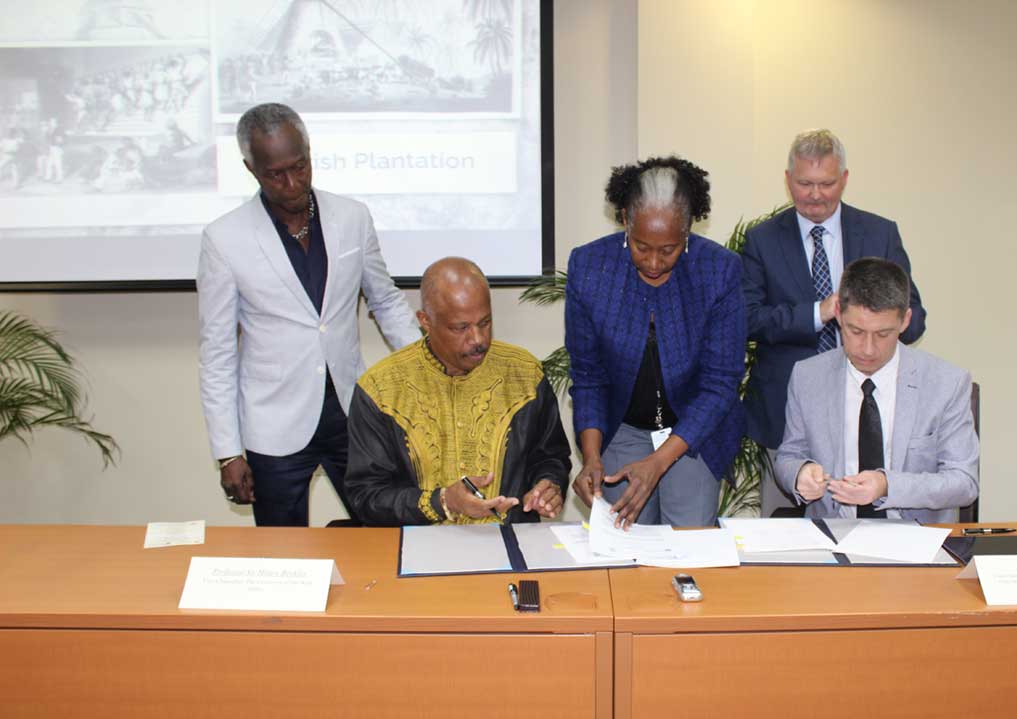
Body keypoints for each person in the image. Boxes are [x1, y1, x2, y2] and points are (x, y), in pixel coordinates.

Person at [198, 102, 419, 526]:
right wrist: (228, 451)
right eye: (275, 174)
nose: (292, 182)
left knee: (383, 533)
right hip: (273, 425)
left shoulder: (352, 217)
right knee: (282, 555)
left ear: (310, 153)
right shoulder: (224, 239)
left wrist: (429, 368)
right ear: (251, 168)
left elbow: (385, 301)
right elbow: (217, 353)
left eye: (300, 167)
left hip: (354, 414)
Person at [742, 129, 928, 516]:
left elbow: (914, 319)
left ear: (844, 179)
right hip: (786, 418)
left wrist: (868, 320)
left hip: (871, 411)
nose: (815, 194)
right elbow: (748, 319)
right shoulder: (763, 240)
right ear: (788, 179)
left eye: (826, 183)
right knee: (786, 542)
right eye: (805, 183)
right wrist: (819, 312)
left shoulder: (879, 233)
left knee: (875, 526)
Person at [565, 156, 746, 528]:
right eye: (641, 246)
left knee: (689, 540)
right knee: (624, 543)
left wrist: (659, 461)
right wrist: (592, 458)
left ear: (689, 230)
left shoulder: (718, 270)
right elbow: (589, 376)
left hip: (692, 431)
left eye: (669, 249)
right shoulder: (590, 267)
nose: (653, 262)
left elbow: (720, 383)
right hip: (622, 427)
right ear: (625, 221)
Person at [345, 258, 571, 525]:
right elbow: (366, 496)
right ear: (425, 321)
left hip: (508, 543)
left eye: (485, 322)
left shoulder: (524, 375)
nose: (477, 339)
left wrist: (549, 484)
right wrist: (441, 502)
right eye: (460, 327)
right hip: (419, 549)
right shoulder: (381, 390)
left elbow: (550, 456)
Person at [774, 257, 977, 523]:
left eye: (883, 334)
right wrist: (801, 473)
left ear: (905, 321)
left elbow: (964, 482)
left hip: (916, 540)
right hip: (832, 535)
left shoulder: (947, 383)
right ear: (837, 313)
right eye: (855, 331)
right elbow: (789, 456)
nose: (868, 349)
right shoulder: (808, 376)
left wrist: (886, 485)